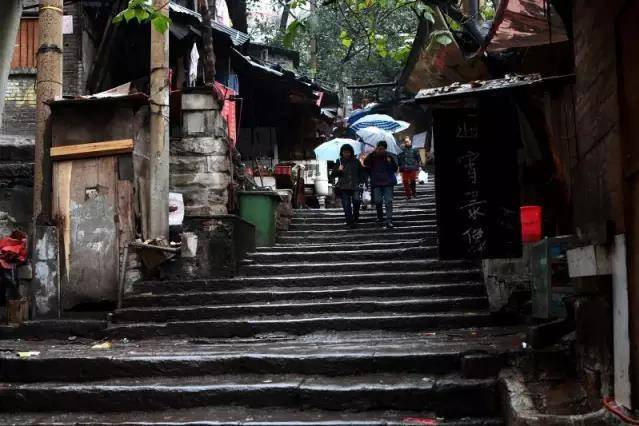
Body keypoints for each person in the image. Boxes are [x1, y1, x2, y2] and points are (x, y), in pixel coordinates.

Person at [364, 141, 398, 228]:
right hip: (376, 182)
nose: (381, 150)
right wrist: (372, 154)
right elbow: (366, 163)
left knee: (388, 201)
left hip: (388, 182)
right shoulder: (372, 156)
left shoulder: (389, 156)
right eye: (379, 148)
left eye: (383, 148)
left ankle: (389, 220)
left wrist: (391, 162)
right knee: (378, 201)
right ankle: (380, 216)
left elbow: (395, 168)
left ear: (385, 149)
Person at [331, 144, 365, 228]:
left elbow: (361, 172)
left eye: (348, 152)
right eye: (344, 152)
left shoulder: (356, 161)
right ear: (342, 153)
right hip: (343, 186)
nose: (346, 154)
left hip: (355, 185)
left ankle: (356, 214)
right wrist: (339, 170)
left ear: (351, 152)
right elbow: (333, 174)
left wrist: (362, 182)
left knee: (356, 200)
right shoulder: (339, 161)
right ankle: (349, 221)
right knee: (346, 204)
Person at [398, 136, 421, 200]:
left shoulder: (415, 149)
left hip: (412, 167)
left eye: (407, 141)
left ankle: (413, 192)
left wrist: (419, 166)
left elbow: (418, 158)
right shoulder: (402, 150)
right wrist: (399, 166)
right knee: (405, 181)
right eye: (405, 142)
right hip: (405, 167)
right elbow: (399, 158)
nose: (406, 143)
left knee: (412, 181)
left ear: (410, 141)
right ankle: (408, 195)